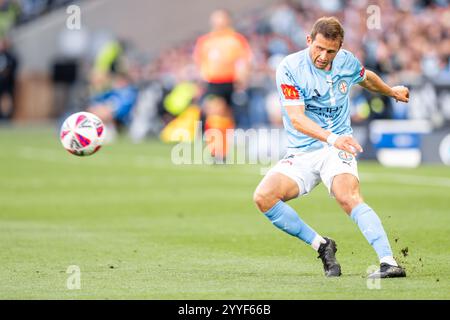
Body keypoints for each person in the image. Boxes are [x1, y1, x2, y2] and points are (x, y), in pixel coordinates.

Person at [253, 17, 409, 278]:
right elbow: (297, 119)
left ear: (340, 48)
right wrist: (332, 138)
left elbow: (366, 77)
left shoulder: (346, 61)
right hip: (303, 151)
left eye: (330, 51)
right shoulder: (290, 67)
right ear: (309, 41)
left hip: (336, 147)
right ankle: (322, 246)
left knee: (346, 196)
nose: (324, 56)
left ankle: (388, 262)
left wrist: (390, 91)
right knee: (264, 198)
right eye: (319, 48)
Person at [193, 9, 252, 161]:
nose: (218, 22)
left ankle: (223, 151)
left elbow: (243, 62)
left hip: (230, 82)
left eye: (221, 19)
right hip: (213, 82)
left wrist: (242, 80)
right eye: (215, 19)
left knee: (226, 117)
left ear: (228, 20)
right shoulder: (205, 41)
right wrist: (200, 82)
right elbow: (199, 63)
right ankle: (214, 149)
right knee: (215, 113)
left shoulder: (236, 40)